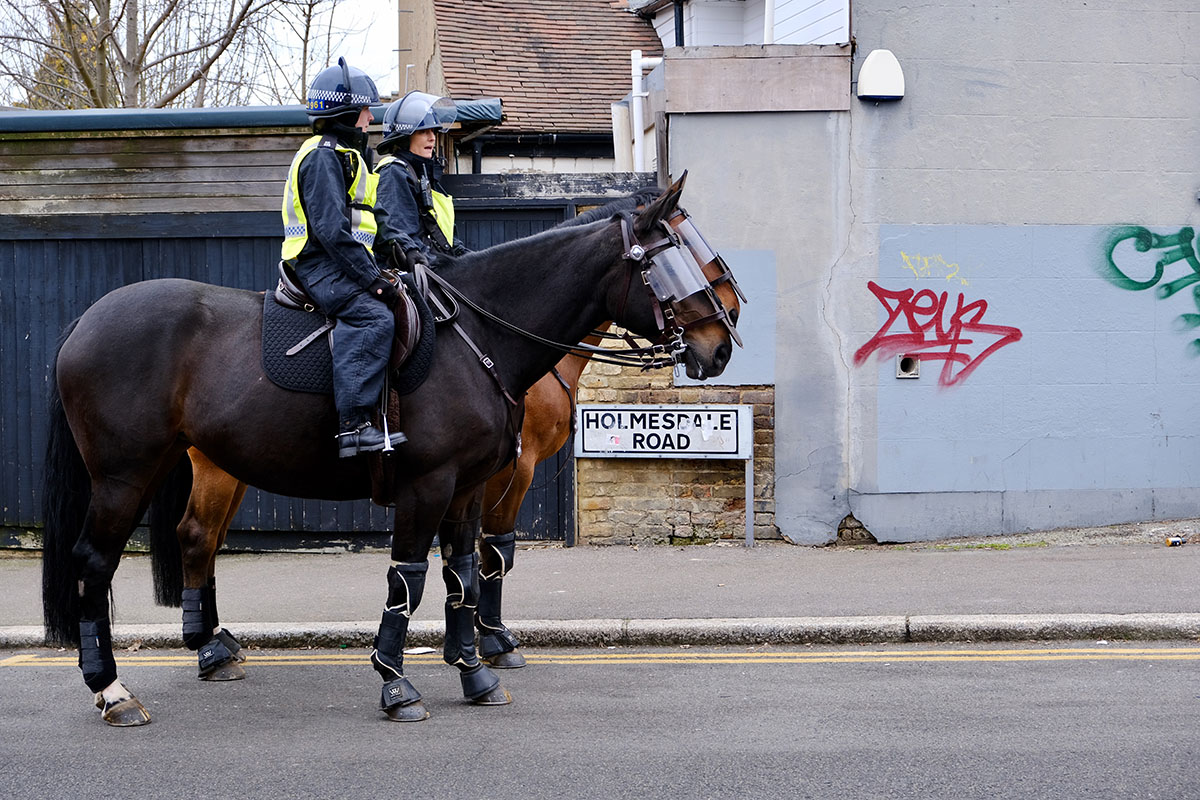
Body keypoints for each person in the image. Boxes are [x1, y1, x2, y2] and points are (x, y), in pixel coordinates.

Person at [281, 57, 406, 458]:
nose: (371, 117)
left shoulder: (347, 155)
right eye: (366, 109)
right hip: (318, 265)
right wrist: (372, 280)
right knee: (374, 315)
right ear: (346, 114)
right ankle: (353, 424)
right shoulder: (322, 157)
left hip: (340, 262)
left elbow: (363, 224)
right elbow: (332, 232)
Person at [374, 91, 468, 260]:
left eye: (433, 131)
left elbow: (442, 236)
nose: (432, 138)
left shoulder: (420, 174)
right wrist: (443, 266)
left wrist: (468, 260)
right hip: (414, 271)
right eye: (424, 132)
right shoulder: (393, 172)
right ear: (404, 137)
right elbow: (403, 239)